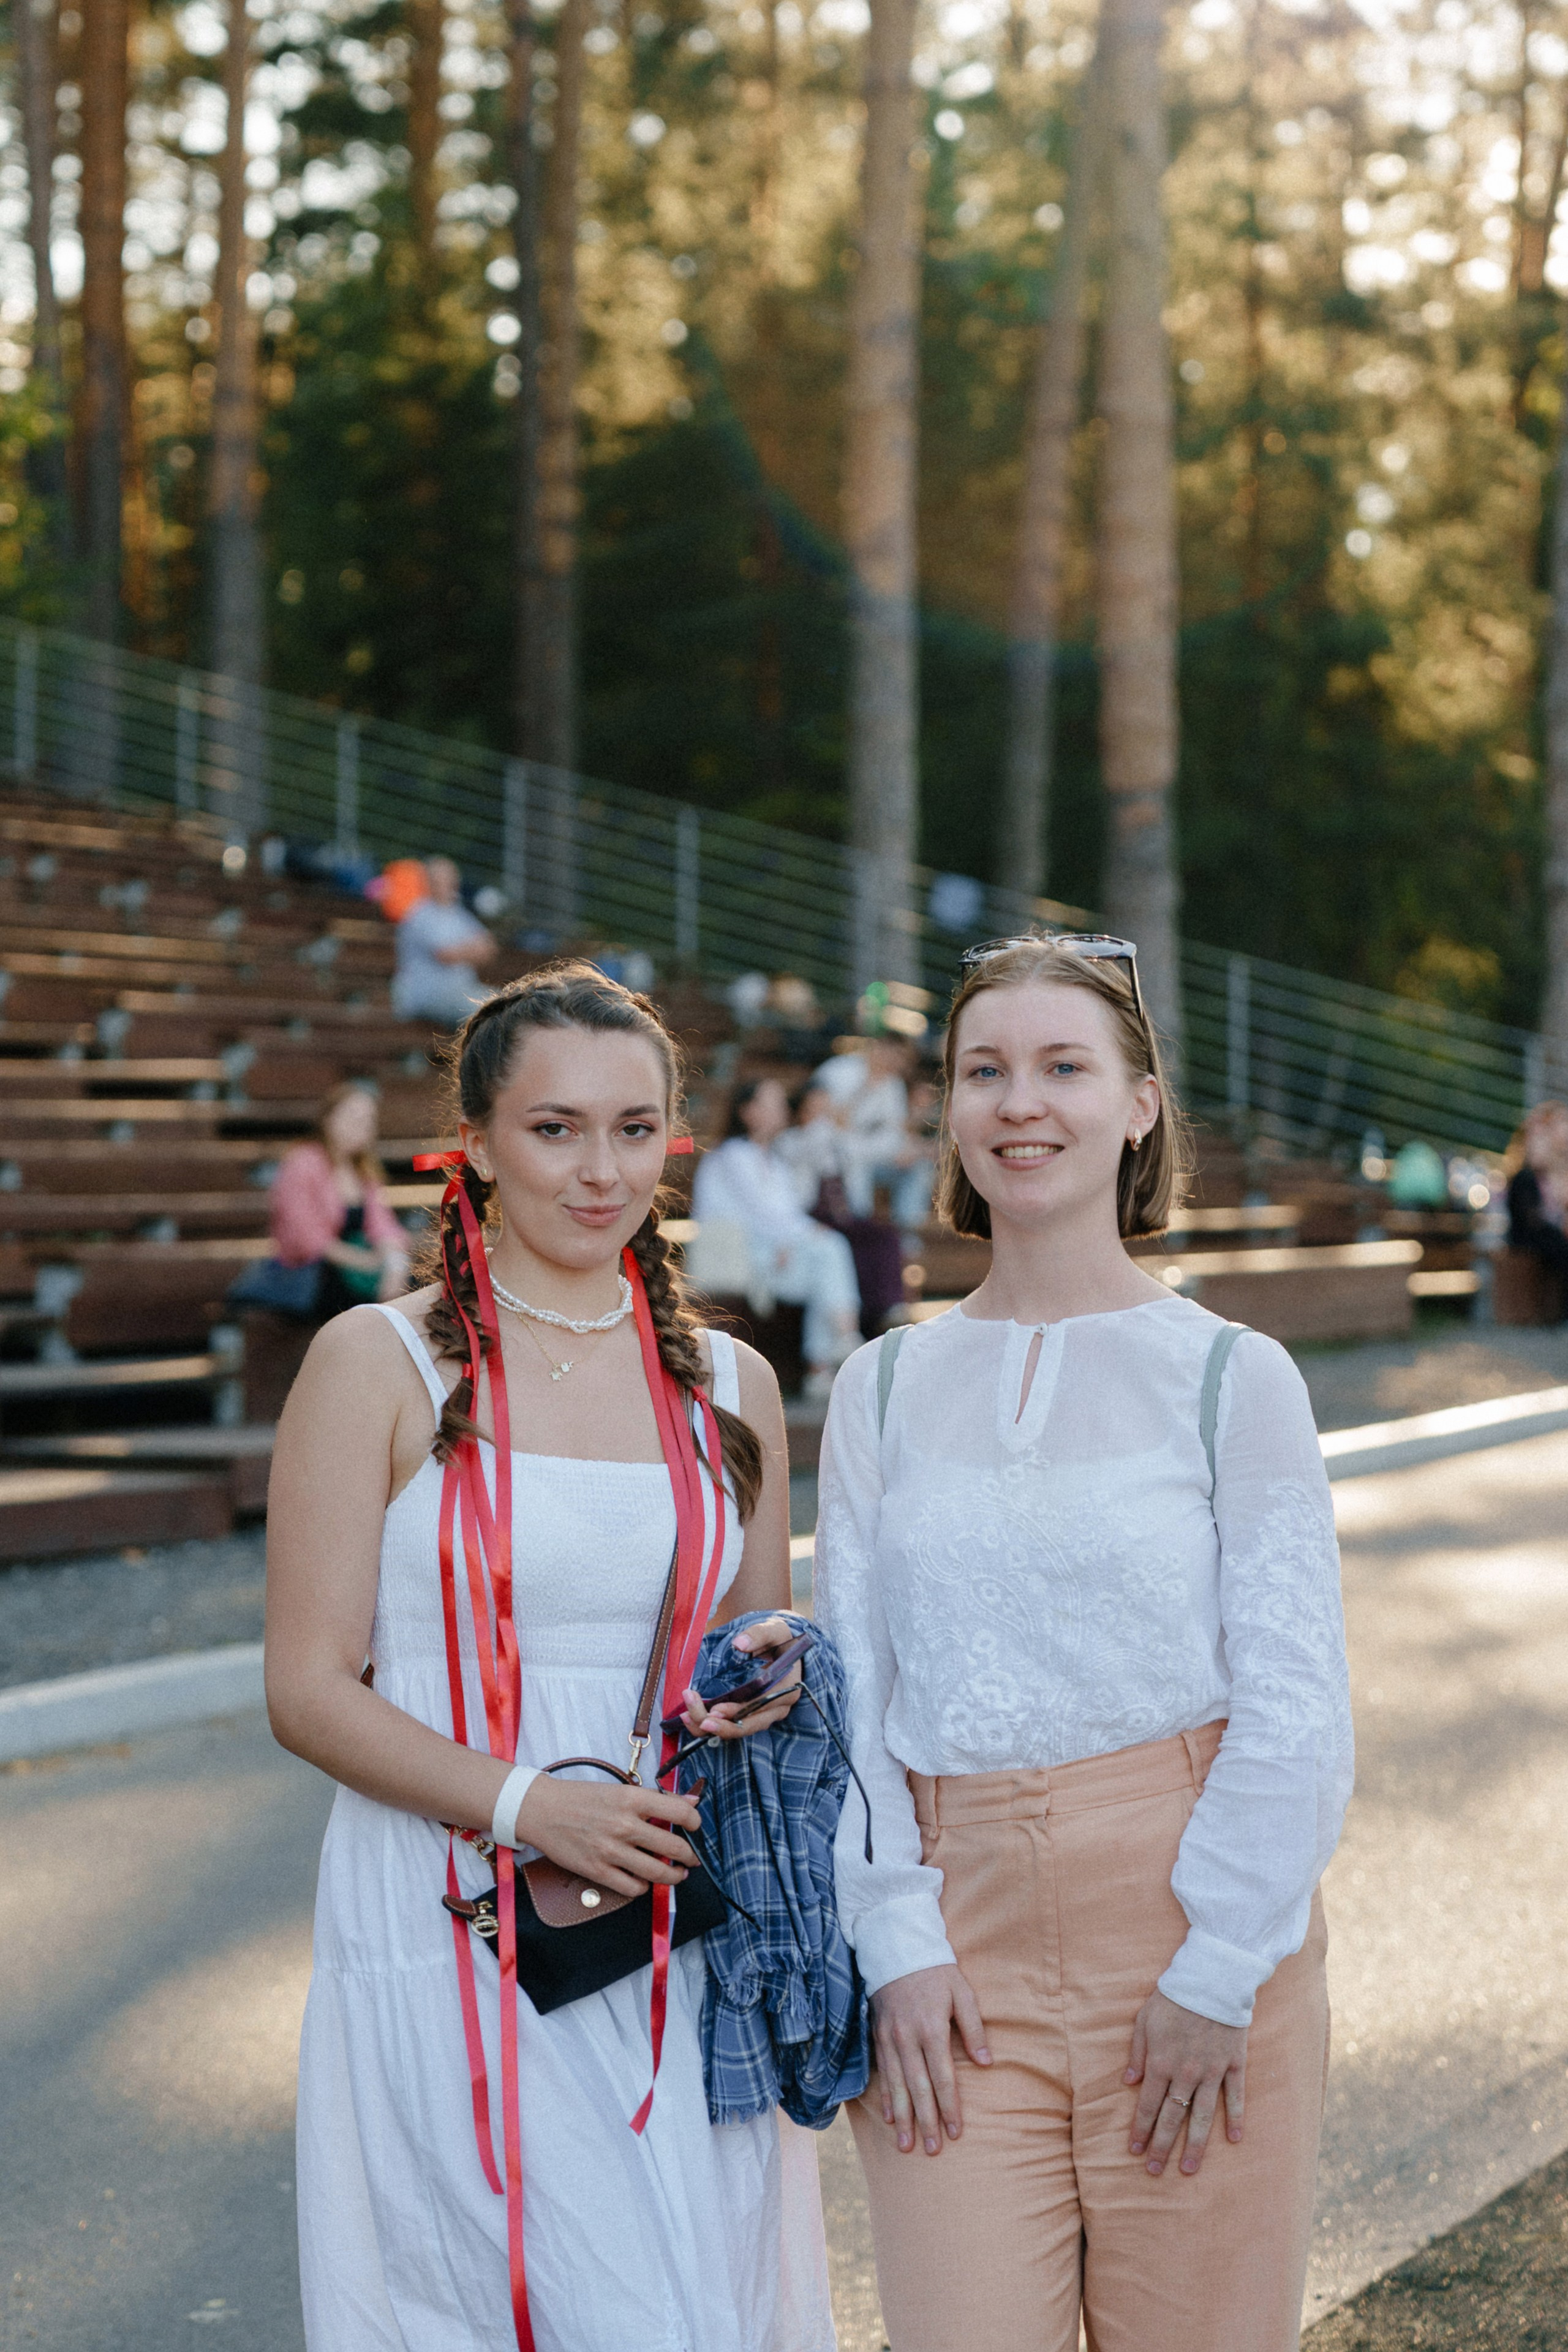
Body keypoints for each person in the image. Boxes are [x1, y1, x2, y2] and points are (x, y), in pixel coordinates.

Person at [266, 965, 834, 2352]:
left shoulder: (731, 1383)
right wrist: (530, 1803)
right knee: (509, 2294)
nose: (601, 1170)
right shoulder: (381, 1361)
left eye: (635, 1129)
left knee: (687, 2301)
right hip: (450, 1900)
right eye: (555, 1129)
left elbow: (748, 1663)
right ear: (473, 1144)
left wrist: (771, 1679)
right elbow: (305, 1684)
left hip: (665, 1910)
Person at [815, 933, 1353, 2352]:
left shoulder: (1232, 1375)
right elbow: (852, 1693)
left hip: (1185, 1926)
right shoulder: (880, 1386)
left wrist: (1215, 1963)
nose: (1016, 1100)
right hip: (950, 1949)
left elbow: (1294, 1699)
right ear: (946, 1112)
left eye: (1061, 1064)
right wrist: (893, 1939)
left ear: (1136, 1103)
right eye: (980, 1069)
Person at [692, 1076, 861, 1400]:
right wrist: (799, 1237)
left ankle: (821, 1367)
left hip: (774, 1254)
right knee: (830, 1249)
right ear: (748, 1111)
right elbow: (762, 1216)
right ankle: (843, 1340)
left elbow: (784, 1216)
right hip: (740, 1258)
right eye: (772, 1103)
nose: (782, 1110)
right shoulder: (732, 1155)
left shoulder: (774, 1160)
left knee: (824, 1267)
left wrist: (792, 1241)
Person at [268, 1082, 410, 1317]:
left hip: (353, 1273)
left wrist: (395, 1263)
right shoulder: (303, 1161)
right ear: (329, 1118)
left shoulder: (363, 1171)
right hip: (313, 1273)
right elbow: (306, 1235)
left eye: (368, 1120)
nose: (361, 1126)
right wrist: (362, 1261)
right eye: (353, 1116)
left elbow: (383, 1225)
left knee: (410, 1286)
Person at [391, 854, 496, 1024]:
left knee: (508, 1004)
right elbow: (445, 955)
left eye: (451, 878)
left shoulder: (459, 914)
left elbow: (489, 949)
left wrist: (461, 950)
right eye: (441, 879)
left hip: (462, 992)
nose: (449, 884)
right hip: (426, 997)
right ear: (428, 881)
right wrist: (471, 949)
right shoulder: (419, 914)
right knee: (489, 1012)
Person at [1506, 1100, 1568, 1298]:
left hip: (1547, 1233)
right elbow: (1532, 1220)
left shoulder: (1553, 1174)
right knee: (1558, 1244)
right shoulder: (1526, 1178)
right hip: (1529, 1237)